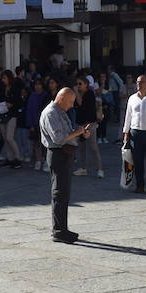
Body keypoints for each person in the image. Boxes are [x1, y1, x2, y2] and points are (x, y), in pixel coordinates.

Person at [40, 85, 91, 243]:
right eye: (70, 102)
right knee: (59, 193)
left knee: (63, 193)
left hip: (64, 153)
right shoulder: (50, 113)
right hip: (58, 154)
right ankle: (59, 231)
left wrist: (82, 134)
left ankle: (62, 228)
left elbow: (68, 132)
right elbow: (58, 138)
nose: (71, 105)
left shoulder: (60, 111)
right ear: (61, 98)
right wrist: (78, 132)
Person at [72, 76, 102, 178]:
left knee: (93, 146)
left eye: (80, 84)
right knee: (81, 147)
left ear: (86, 84)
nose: (78, 86)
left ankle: (99, 169)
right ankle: (83, 168)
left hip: (90, 123)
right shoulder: (77, 94)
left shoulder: (89, 93)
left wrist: (76, 92)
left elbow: (80, 103)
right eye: (77, 84)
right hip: (80, 123)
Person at [24, 78, 49, 171]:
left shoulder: (46, 95)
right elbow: (29, 111)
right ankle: (38, 160)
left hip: (44, 123)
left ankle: (45, 160)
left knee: (45, 143)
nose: (37, 86)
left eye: (39, 84)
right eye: (36, 84)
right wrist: (30, 124)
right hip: (34, 122)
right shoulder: (32, 96)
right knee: (36, 142)